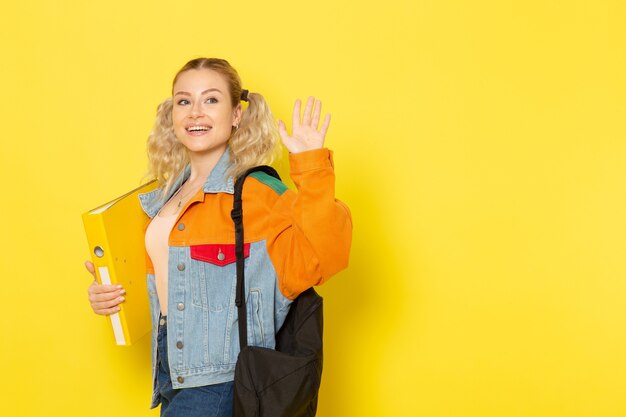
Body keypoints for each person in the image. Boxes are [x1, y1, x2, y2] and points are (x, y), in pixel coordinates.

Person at [84, 57, 352, 416]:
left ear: (237, 115)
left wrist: (312, 166)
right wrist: (110, 295)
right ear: (172, 115)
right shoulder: (161, 198)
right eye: (184, 101)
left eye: (211, 100)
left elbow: (324, 255)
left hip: (221, 380)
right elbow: (174, 284)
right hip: (170, 371)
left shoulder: (255, 192)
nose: (196, 112)